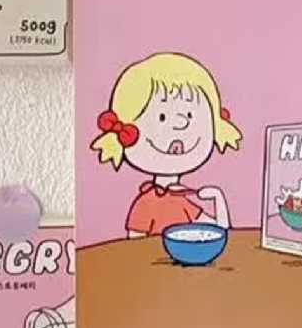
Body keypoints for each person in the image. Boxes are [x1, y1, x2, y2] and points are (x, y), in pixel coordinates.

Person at [90, 51, 241, 239]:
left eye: (190, 115)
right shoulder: (146, 203)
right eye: (162, 117)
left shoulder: (181, 202)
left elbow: (220, 231)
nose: (181, 124)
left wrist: (217, 197)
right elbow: (132, 246)